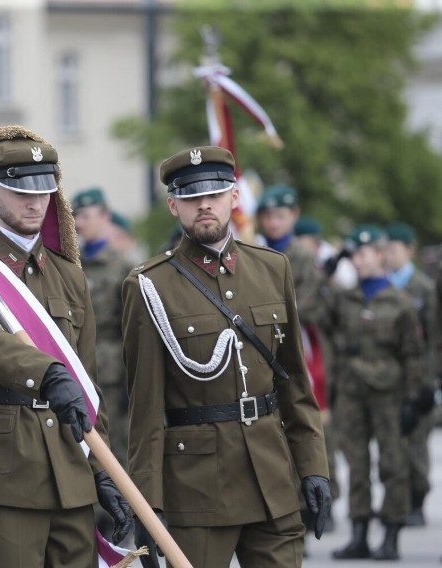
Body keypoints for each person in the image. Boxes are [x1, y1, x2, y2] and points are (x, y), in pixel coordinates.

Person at [122, 146, 331, 568]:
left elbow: (293, 382)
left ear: (234, 198)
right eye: (191, 196)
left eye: (214, 194)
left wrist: (314, 467)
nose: (204, 204)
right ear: (173, 205)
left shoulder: (273, 269)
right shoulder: (148, 285)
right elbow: (145, 409)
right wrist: (148, 503)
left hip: (272, 481)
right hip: (196, 492)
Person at [0, 137, 132, 567]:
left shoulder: (68, 276)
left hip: (69, 466)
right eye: (21, 190)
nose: (34, 201)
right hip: (2, 465)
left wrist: (103, 471)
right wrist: (48, 373)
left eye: (43, 189)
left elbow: (88, 387)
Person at [328, 225, 428, 561]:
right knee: (356, 465)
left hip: (389, 392)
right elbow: (309, 312)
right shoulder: (344, 298)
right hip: (352, 392)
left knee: (392, 464)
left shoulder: (401, 302)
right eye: (353, 254)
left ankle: (391, 535)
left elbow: (414, 353)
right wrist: (326, 271)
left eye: (364, 253)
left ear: (381, 255)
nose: (358, 260)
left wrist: (416, 397)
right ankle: (358, 534)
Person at [257, 186, 339, 533]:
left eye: (280, 216)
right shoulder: (255, 252)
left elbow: (307, 305)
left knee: (311, 419)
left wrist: (266, 315)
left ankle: (321, 494)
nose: (274, 223)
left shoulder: (302, 256)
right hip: (262, 345)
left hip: (299, 344)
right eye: (268, 217)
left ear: (293, 216)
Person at [71, 187, 132, 468]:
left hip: (111, 373)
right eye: (76, 217)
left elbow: (131, 330)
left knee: (115, 443)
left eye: (86, 215)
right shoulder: (71, 267)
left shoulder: (123, 269)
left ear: (105, 216)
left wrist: (129, 380)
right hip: (76, 366)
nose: (80, 223)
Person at [384, 222, 438, 527]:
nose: (389, 256)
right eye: (386, 250)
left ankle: (417, 500)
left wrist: (428, 383)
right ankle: (397, 502)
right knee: (392, 447)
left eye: (394, 250)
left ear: (409, 250)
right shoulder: (384, 287)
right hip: (390, 379)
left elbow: (432, 341)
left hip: (418, 379)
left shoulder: (424, 289)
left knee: (416, 445)